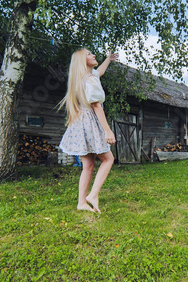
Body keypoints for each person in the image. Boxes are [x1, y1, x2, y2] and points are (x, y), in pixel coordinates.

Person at [58, 48, 118, 213]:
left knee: (88, 165)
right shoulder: (89, 80)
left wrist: (108, 59)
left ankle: (81, 203)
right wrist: (107, 131)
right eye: (89, 54)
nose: (93, 55)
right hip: (90, 122)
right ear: (82, 61)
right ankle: (92, 195)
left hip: (80, 123)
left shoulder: (83, 78)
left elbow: (100, 72)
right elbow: (97, 105)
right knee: (108, 159)